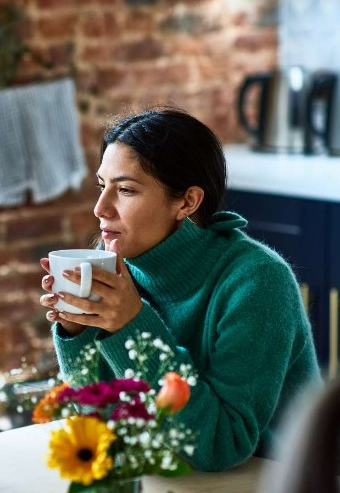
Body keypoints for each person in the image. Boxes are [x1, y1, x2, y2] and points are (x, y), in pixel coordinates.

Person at [39, 108, 321, 472]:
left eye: (124, 189)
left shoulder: (258, 282)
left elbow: (221, 445)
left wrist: (131, 324)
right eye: (101, 186)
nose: (100, 208)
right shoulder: (113, 267)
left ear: (187, 202)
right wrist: (76, 332)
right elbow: (97, 423)